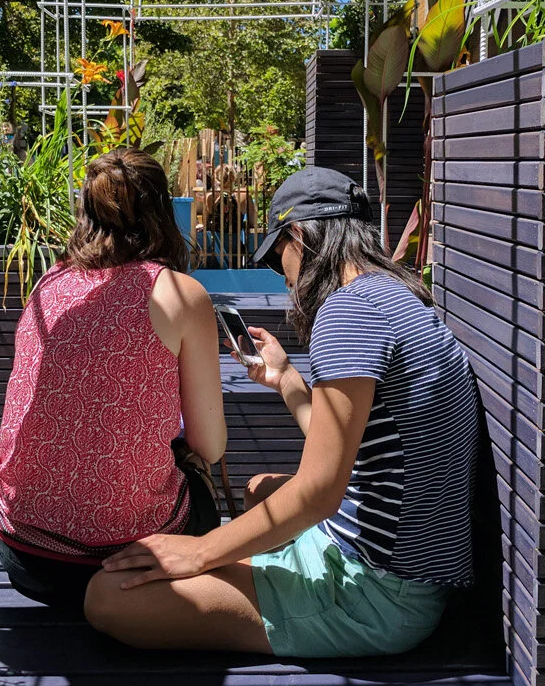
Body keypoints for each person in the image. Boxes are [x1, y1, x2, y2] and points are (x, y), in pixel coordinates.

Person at [85, 167, 480, 658]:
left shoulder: (346, 313)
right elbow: (347, 451)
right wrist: (287, 378)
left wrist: (201, 551)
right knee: (258, 490)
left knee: (107, 599)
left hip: (371, 594)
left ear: (298, 235)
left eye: (277, 257)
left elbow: (318, 493)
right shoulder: (398, 297)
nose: (284, 273)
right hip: (403, 570)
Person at [0, 147, 227, 614]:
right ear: (162, 210)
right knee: (199, 475)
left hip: (23, 553)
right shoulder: (181, 294)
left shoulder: (49, 286)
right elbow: (211, 446)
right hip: (134, 558)